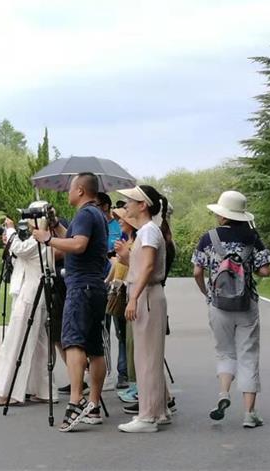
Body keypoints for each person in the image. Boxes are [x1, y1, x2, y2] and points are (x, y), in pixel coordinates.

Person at [33, 172, 108, 431]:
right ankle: (93, 405)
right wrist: (56, 227)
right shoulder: (96, 214)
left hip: (80, 287)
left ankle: (76, 400)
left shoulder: (85, 214)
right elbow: (74, 238)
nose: (67, 192)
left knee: (73, 342)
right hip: (95, 286)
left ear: (80, 190)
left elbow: (78, 245)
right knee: (95, 348)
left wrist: (47, 238)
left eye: (70, 188)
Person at [192, 190, 270, 428]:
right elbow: (265, 270)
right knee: (248, 355)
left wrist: (207, 293)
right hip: (246, 304)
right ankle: (249, 414)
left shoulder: (209, 238)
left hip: (218, 304)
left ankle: (223, 393)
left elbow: (197, 271)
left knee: (225, 353)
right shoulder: (252, 237)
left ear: (223, 215)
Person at [0, 202, 56, 406]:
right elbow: (22, 258)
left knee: (16, 340)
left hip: (31, 293)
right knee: (39, 343)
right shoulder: (47, 238)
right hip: (38, 291)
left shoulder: (39, 239)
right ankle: (43, 390)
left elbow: (20, 249)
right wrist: (11, 240)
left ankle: (7, 391)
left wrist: (10, 231)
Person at [115, 185, 171, 432]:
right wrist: (126, 256)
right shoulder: (148, 231)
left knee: (146, 358)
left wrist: (133, 298)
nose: (126, 205)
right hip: (148, 294)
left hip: (146, 295)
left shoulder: (148, 232)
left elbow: (148, 268)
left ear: (143, 205)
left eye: (130, 200)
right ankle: (159, 411)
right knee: (150, 356)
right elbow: (142, 264)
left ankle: (147, 416)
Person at [97, 192, 127, 390]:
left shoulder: (118, 226)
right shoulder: (93, 224)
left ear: (106, 206)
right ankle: (102, 373)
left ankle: (123, 372)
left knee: (120, 330)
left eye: (98, 205)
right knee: (102, 329)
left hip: (117, 280)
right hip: (99, 278)